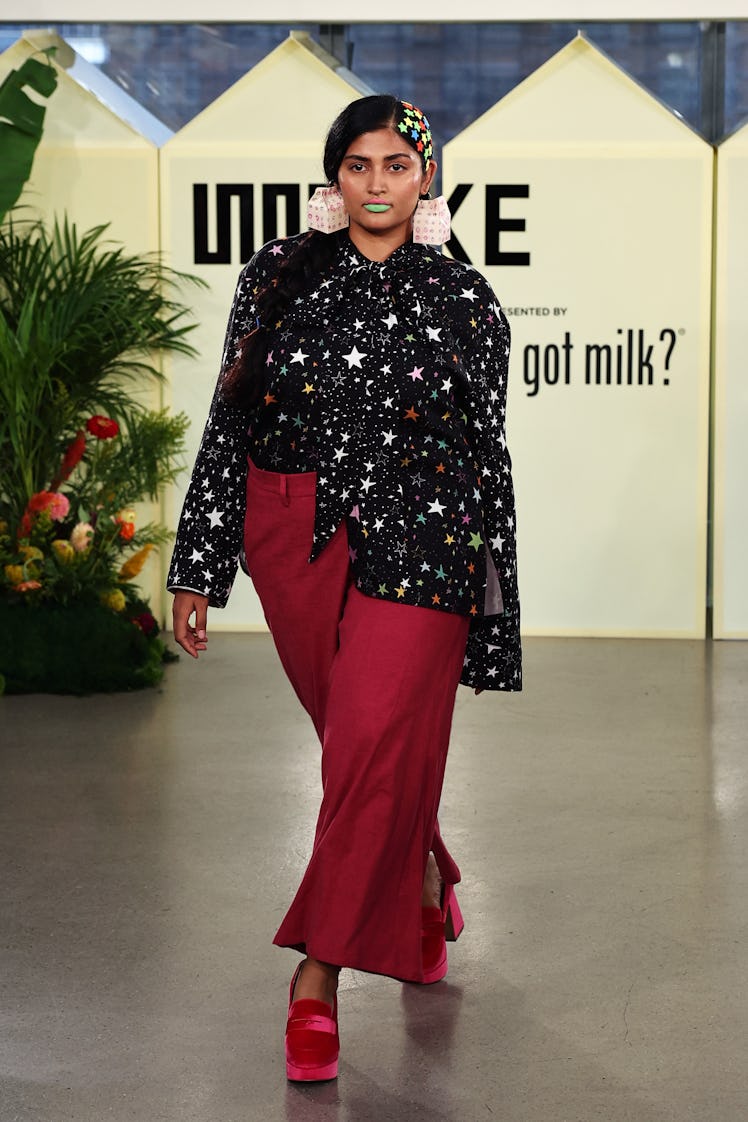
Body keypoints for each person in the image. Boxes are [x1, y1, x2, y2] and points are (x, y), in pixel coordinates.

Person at [168, 94, 521, 1082]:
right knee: (359, 750)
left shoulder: (465, 298)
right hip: (291, 539)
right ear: (335, 177)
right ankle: (418, 869)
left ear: (426, 178)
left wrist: (493, 602)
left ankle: (315, 979)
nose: (376, 184)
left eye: (395, 166)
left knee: (367, 749)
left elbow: (485, 454)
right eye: (357, 166)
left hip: (424, 543)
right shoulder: (277, 275)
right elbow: (229, 420)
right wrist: (199, 562)